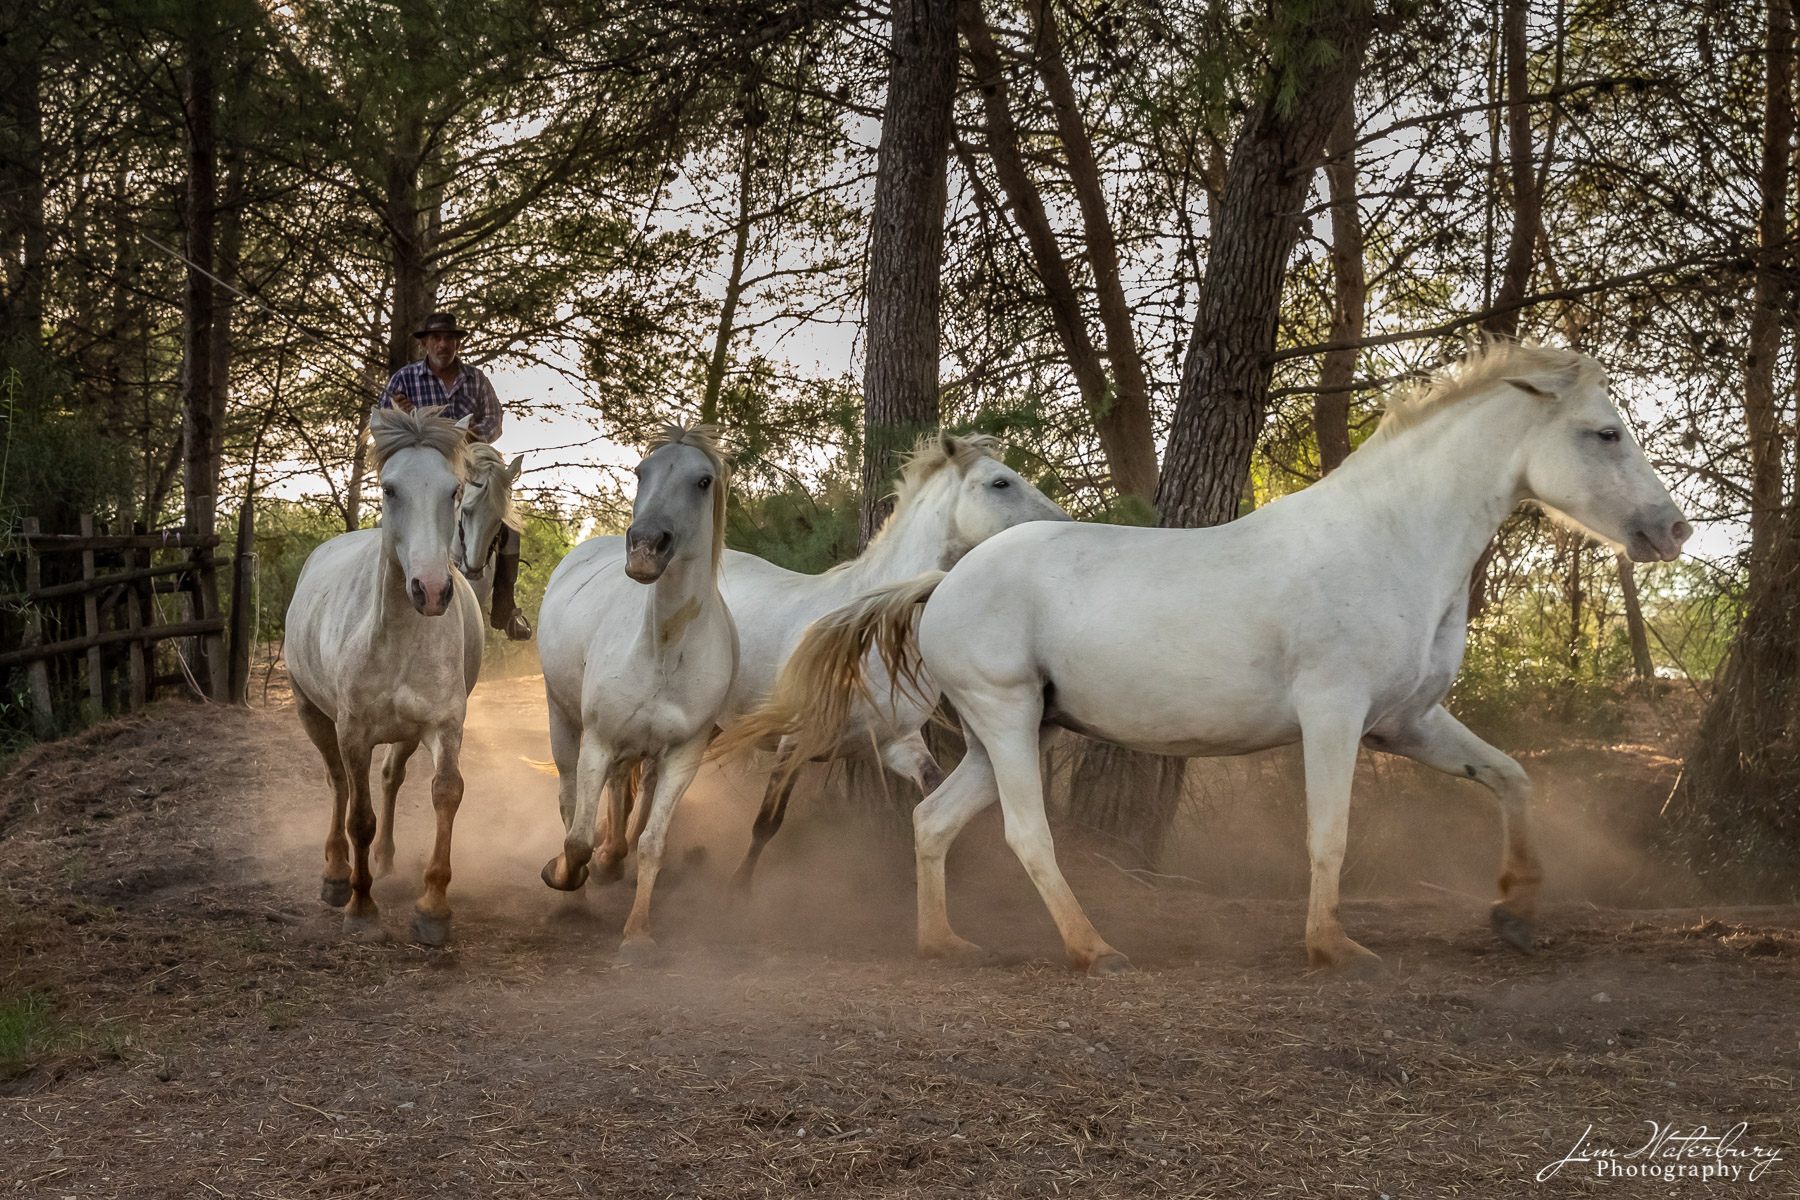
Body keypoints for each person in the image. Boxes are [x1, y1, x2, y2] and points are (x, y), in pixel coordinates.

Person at [376, 311, 531, 640]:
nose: (443, 344)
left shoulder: (476, 379)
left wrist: (474, 434)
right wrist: (399, 415)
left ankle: (505, 605)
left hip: (471, 460)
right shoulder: (403, 380)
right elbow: (382, 420)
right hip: (424, 465)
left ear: (457, 342)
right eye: (436, 338)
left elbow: (494, 420)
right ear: (425, 343)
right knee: (397, 503)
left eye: (449, 338)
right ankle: (380, 597)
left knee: (505, 520)